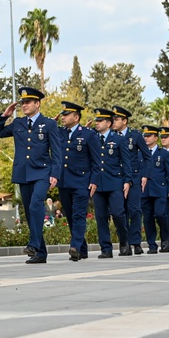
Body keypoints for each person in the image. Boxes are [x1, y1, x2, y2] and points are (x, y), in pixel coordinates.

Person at [0, 86, 61, 264]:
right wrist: (5, 115)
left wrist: (55, 173)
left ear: (37, 104)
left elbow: (57, 151)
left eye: (28, 102)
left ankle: (32, 244)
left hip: (42, 172)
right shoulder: (18, 124)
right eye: (22, 102)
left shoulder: (49, 124)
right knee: (31, 213)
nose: (24, 105)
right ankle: (41, 253)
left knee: (35, 204)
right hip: (23, 173)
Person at [88, 108, 131, 258]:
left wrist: (127, 181)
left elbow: (126, 162)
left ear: (108, 123)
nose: (97, 123)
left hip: (115, 182)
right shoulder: (92, 137)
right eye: (96, 121)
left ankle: (124, 240)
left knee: (118, 213)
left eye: (100, 121)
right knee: (100, 217)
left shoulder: (118, 139)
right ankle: (105, 248)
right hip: (98, 183)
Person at [54, 101, 93, 261]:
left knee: (78, 215)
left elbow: (96, 161)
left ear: (76, 117)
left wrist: (94, 181)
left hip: (82, 181)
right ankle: (82, 248)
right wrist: (51, 120)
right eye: (62, 114)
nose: (63, 117)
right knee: (70, 215)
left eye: (66, 114)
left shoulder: (88, 134)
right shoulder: (59, 132)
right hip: (64, 181)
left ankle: (75, 246)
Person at [111, 106, 148, 254]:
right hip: (117, 179)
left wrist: (145, 175)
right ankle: (124, 242)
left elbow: (147, 157)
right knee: (119, 212)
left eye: (117, 119)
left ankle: (136, 242)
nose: (113, 122)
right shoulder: (111, 136)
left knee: (134, 210)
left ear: (125, 121)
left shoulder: (136, 136)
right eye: (112, 119)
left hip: (134, 177)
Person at [140, 125, 169, 253]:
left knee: (161, 215)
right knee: (147, 218)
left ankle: (166, 240)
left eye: (149, 136)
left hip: (160, 190)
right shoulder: (140, 153)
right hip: (145, 191)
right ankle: (152, 245)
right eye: (145, 136)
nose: (146, 138)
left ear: (156, 138)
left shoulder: (164, 154)